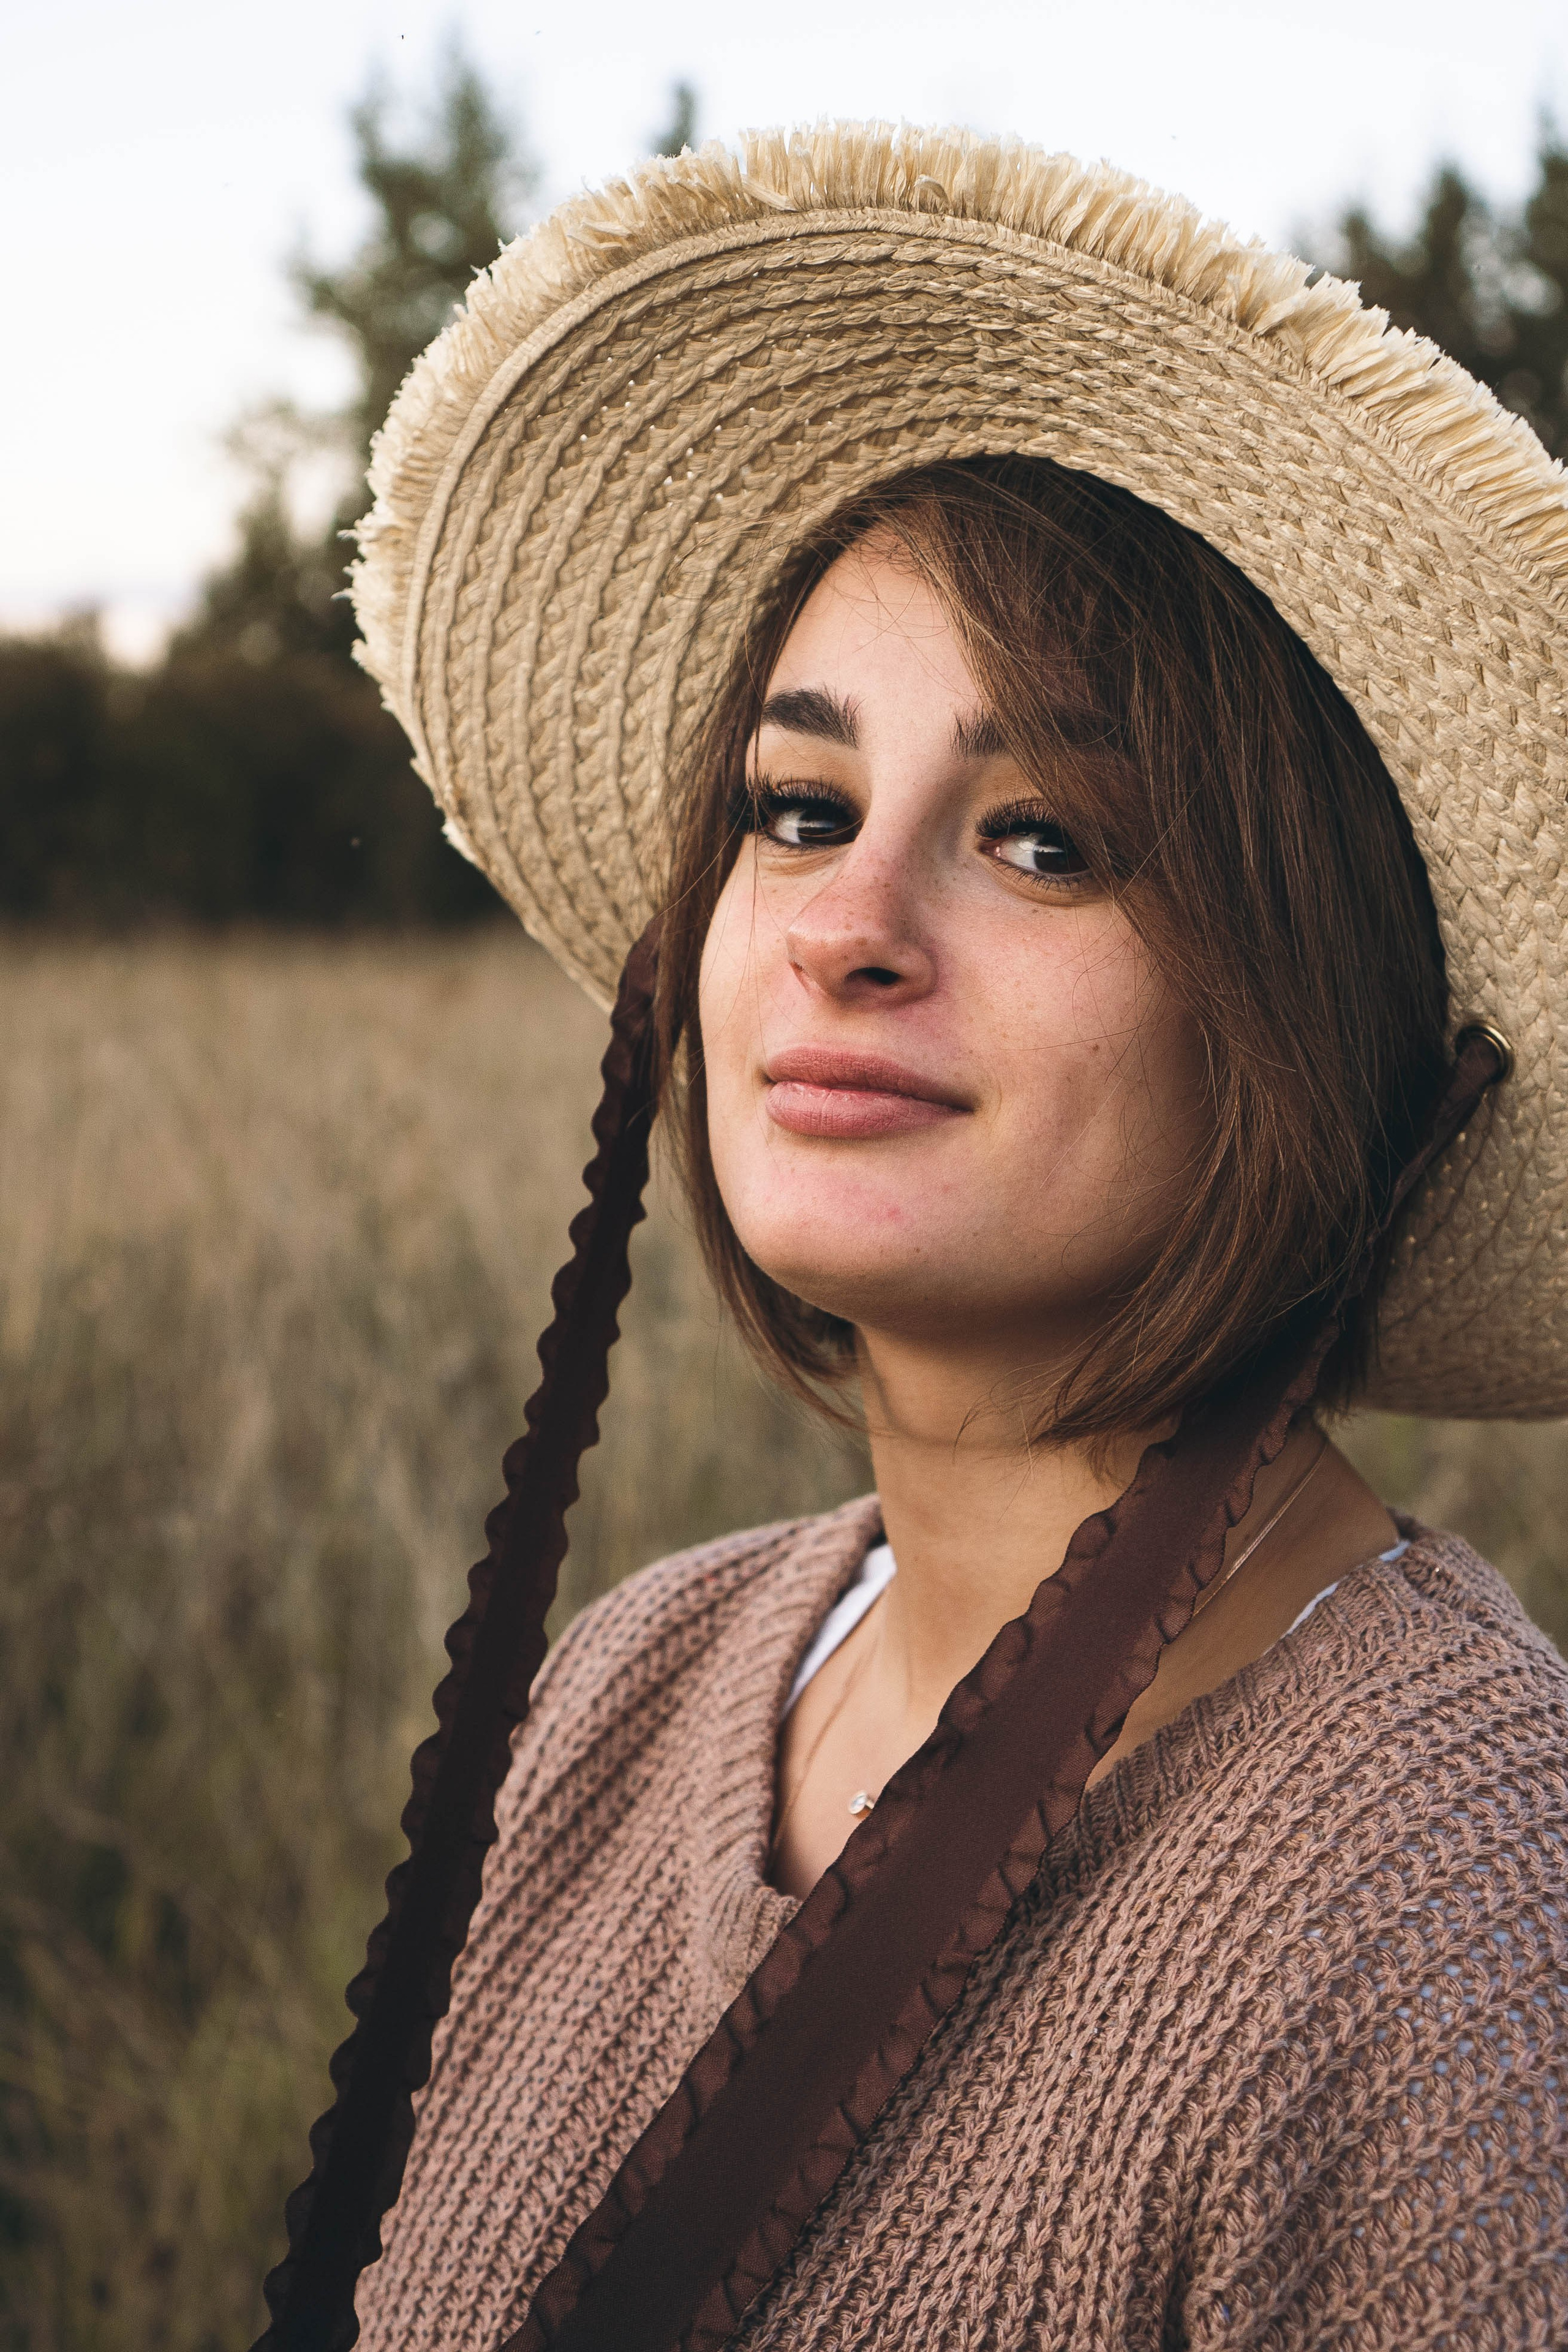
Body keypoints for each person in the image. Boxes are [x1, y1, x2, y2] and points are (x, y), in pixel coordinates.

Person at [266, 129, 1568, 2351]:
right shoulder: (636, 1683)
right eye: (797, 809)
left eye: (1045, 838)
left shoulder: (1451, 1893)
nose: (850, 927)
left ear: (1316, 1009)